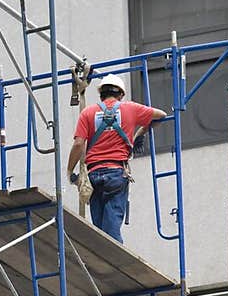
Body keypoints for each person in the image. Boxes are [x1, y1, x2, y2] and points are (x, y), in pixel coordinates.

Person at [66, 75, 167, 244]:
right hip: (116, 173)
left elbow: (78, 144)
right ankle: (116, 266)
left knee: (99, 232)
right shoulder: (130, 109)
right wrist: (138, 135)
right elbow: (161, 115)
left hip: (94, 175)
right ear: (120, 94)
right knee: (111, 230)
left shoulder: (88, 113)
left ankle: (104, 263)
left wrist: (70, 171)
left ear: (101, 95)